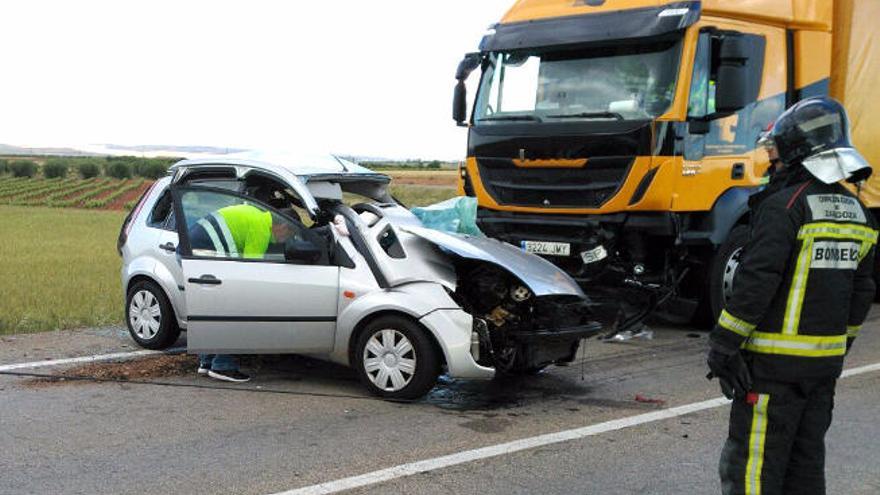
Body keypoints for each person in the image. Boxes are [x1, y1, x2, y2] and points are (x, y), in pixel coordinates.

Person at [707, 96, 877, 495]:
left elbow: (756, 281)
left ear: (798, 151)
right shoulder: (859, 211)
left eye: (777, 152)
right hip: (823, 368)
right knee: (805, 465)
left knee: (753, 468)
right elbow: (862, 291)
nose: (773, 161)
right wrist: (838, 346)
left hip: (772, 370)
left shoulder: (785, 207)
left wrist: (724, 346)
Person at [189, 202, 299, 382]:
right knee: (236, 309)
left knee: (214, 309)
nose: (286, 241)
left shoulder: (258, 217)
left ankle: (207, 360)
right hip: (203, 248)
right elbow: (250, 273)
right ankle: (222, 365)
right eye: (289, 235)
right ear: (283, 226)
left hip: (191, 248)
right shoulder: (262, 229)